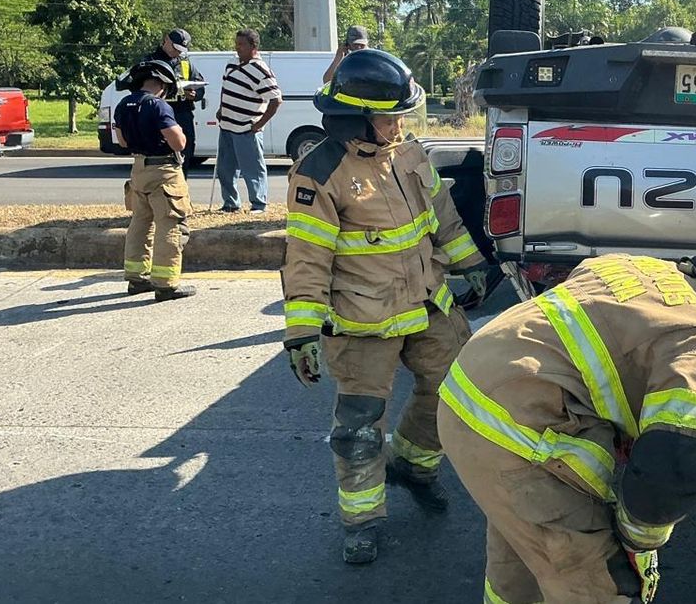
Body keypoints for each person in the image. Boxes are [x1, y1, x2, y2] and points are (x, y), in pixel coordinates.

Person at [438, 232, 696, 604]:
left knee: (523, 557)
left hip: (465, 395)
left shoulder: (638, 267)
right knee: (600, 582)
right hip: (521, 435)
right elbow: (680, 466)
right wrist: (637, 540)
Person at [281, 49, 488, 565]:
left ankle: (414, 465)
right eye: (389, 115)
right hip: (361, 322)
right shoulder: (320, 173)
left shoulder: (409, 154)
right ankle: (361, 522)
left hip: (428, 306)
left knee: (457, 393)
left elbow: (443, 219)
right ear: (357, 118)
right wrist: (301, 331)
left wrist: (470, 267)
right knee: (358, 430)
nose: (398, 124)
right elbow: (306, 259)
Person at [114, 60, 196, 301]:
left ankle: (136, 278)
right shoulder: (158, 106)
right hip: (163, 171)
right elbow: (178, 143)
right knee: (171, 224)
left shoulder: (123, 105)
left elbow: (122, 142)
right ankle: (166, 284)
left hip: (138, 169)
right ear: (161, 83)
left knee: (140, 223)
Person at [117, 29, 206, 171]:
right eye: (176, 48)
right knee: (158, 153)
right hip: (155, 113)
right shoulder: (149, 61)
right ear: (166, 40)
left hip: (182, 113)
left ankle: (180, 186)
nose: (178, 52)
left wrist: (195, 94)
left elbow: (200, 86)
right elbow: (136, 88)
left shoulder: (185, 62)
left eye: (181, 49)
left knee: (185, 153)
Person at [215, 28, 282, 213]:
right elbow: (225, 87)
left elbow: (276, 99)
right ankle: (230, 203)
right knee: (225, 169)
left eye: (241, 45)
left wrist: (259, 124)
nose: (237, 49)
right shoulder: (231, 64)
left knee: (253, 169)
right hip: (227, 125)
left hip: (246, 127)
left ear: (253, 46)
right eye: (236, 44)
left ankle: (259, 204)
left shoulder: (260, 69)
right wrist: (222, 109)